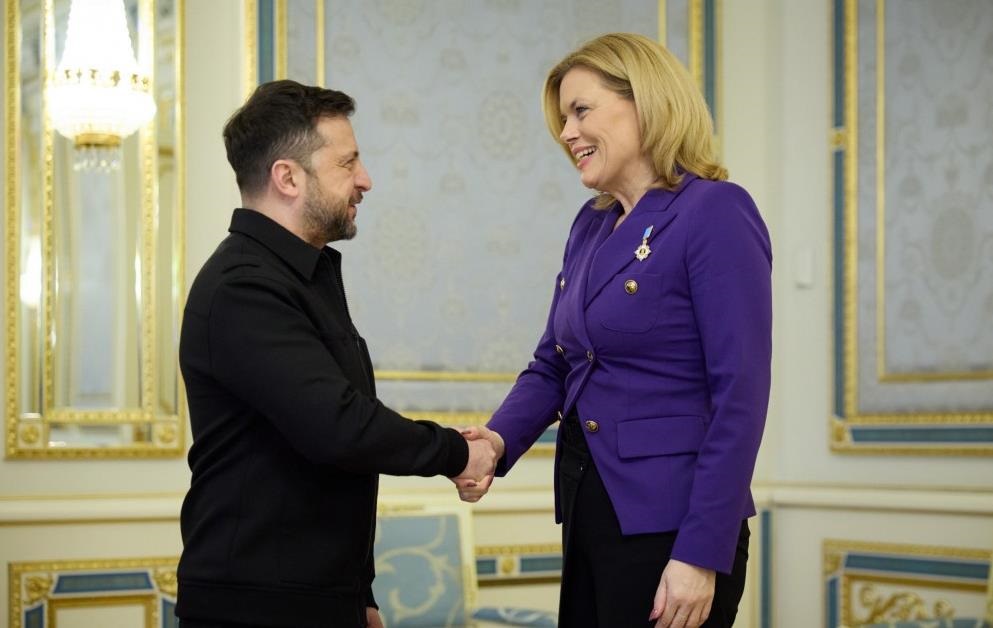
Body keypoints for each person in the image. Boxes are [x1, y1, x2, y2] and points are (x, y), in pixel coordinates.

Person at [455, 33, 772, 628]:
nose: (567, 133)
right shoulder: (591, 225)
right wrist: (496, 442)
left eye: (581, 111)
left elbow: (741, 396)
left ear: (645, 101)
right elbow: (554, 362)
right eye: (562, 119)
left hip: (675, 526)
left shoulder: (715, 211)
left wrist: (701, 553)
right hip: (590, 508)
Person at [176, 80, 497, 628]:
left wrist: (359, 593)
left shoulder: (301, 277)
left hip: (317, 599)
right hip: (257, 608)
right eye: (347, 163)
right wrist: (455, 454)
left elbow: (331, 466)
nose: (365, 179)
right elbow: (338, 427)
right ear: (287, 177)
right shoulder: (244, 286)